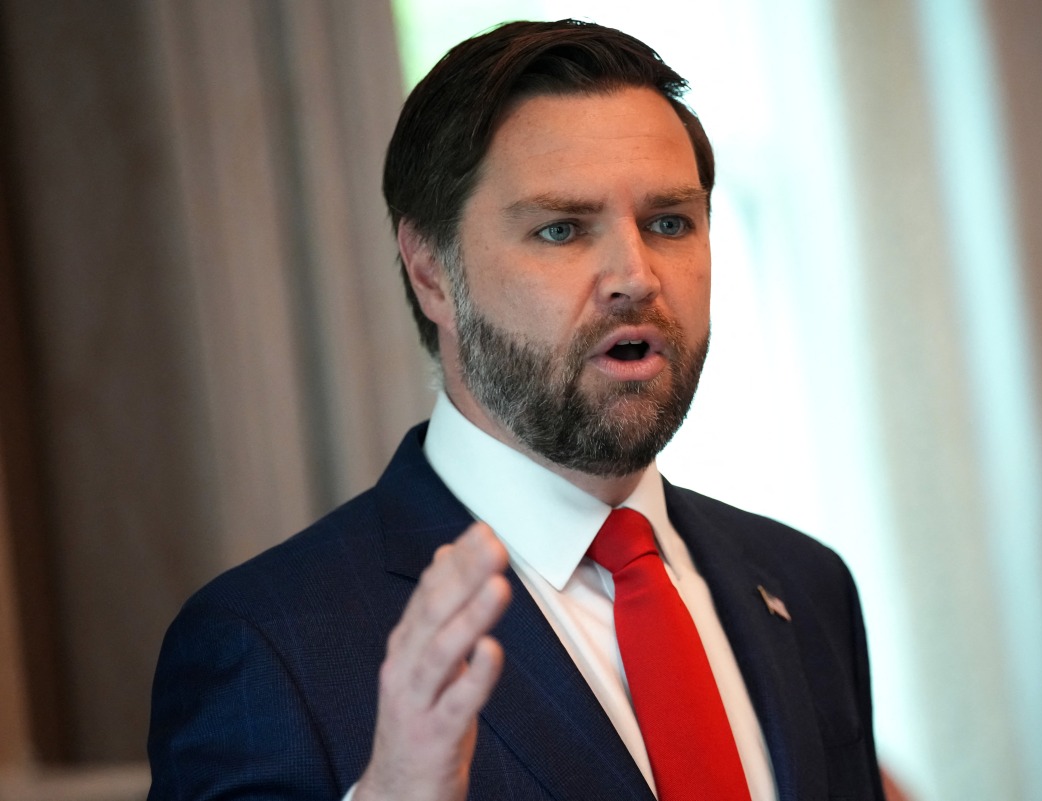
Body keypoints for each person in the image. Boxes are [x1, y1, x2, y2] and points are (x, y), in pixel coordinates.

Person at [147, 19, 885, 801]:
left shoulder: (807, 585)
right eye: (562, 229)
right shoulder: (268, 644)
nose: (635, 275)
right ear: (431, 271)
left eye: (669, 222)